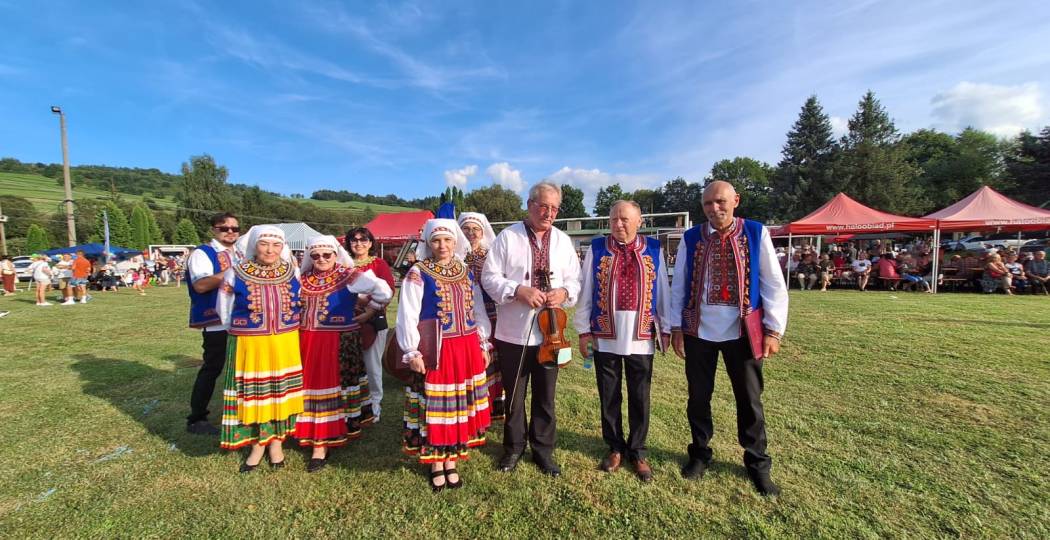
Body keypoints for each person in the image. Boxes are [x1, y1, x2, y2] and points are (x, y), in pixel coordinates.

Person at [669, 181, 789, 496]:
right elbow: (679, 283)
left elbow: (773, 283)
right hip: (699, 331)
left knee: (749, 400)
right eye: (708, 204)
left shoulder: (755, 232)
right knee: (698, 397)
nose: (714, 209)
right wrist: (677, 327)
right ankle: (700, 453)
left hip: (742, 332)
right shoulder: (691, 237)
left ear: (735, 201)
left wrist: (773, 329)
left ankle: (757, 463)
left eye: (720, 202)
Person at [481, 181, 581, 477]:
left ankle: (543, 450)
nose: (548, 212)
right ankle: (513, 448)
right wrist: (516, 289)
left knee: (546, 395)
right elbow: (489, 277)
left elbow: (576, 280)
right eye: (543, 206)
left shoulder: (563, 241)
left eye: (554, 208)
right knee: (514, 394)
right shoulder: (507, 237)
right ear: (530, 205)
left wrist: (563, 293)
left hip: (552, 334)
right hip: (513, 331)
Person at [574, 200, 671, 483]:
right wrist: (583, 331)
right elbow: (586, 292)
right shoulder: (597, 248)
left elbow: (662, 290)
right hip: (605, 336)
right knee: (609, 394)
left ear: (639, 221)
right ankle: (615, 446)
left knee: (640, 396)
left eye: (625, 219)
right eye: (614, 219)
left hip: (641, 337)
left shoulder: (653, 249)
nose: (619, 224)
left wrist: (666, 328)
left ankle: (637, 450)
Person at [396, 219, 493, 491]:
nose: (442, 245)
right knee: (436, 406)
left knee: (457, 406)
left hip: (465, 347)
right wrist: (411, 349)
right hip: (436, 349)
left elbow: (477, 310)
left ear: (455, 242)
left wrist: (483, 343)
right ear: (428, 243)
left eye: (447, 240)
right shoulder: (418, 272)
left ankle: (452, 459)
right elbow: (408, 313)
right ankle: (436, 463)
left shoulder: (464, 271)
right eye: (436, 240)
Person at [296, 235, 392, 472]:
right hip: (307, 341)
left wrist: (370, 309)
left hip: (338, 341)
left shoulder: (347, 274)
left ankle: (322, 443)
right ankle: (310, 431)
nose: (321, 259)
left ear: (336, 255)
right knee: (309, 387)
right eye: (315, 255)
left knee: (332, 387)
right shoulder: (303, 278)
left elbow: (383, 290)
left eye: (326, 255)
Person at [217, 225, 304, 471]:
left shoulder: (291, 271)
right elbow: (223, 307)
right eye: (264, 244)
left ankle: (276, 442)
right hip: (251, 341)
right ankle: (257, 444)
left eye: (276, 245)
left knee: (280, 391)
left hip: (284, 340)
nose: (270, 250)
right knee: (254, 393)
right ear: (254, 245)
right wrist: (241, 330)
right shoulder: (237, 272)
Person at [185, 213, 242, 435]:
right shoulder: (203, 253)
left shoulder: (239, 252)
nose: (230, 232)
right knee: (212, 368)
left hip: (240, 319)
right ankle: (196, 418)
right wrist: (234, 272)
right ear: (213, 230)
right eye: (224, 228)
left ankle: (240, 413)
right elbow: (200, 285)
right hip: (218, 320)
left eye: (234, 229)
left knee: (241, 369)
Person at [345, 227, 396, 424]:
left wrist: (369, 312)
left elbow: (389, 290)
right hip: (347, 323)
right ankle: (353, 404)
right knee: (350, 365)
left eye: (363, 240)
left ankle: (375, 404)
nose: (359, 244)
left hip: (372, 321)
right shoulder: (343, 264)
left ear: (370, 243)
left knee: (372, 365)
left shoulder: (378, 264)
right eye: (354, 240)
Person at [459, 211, 505, 422]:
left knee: (495, 357)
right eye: (466, 229)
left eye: (475, 229)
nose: (471, 233)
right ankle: (474, 404)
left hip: (493, 313)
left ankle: (496, 403)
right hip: (465, 314)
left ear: (483, 231)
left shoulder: (491, 254)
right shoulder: (455, 255)